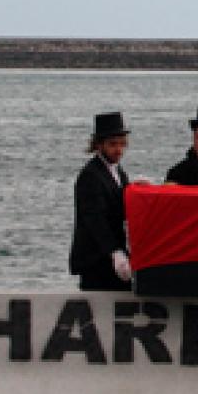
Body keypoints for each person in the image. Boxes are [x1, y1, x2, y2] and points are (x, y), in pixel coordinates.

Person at [70, 112, 133, 291]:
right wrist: (115, 253)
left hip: (113, 258)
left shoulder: (119, 172)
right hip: (96, 261)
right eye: (113, 144)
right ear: (99, 145)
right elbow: (94, 219)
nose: (118, 150)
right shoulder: (90, 175)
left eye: (122, 144)